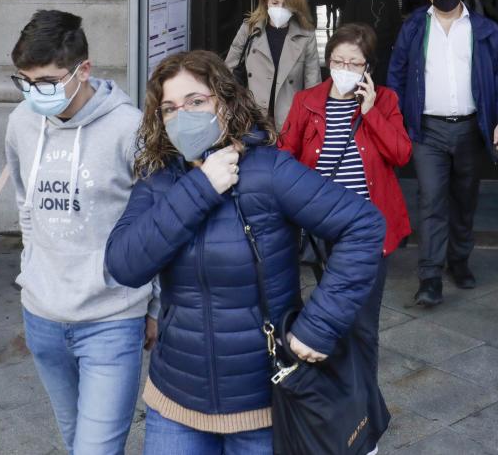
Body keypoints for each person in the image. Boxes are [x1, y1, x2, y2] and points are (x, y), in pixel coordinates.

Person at [104, 50, 385, 454]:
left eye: (196, 102)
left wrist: (319, 326)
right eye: (169, 108)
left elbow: (363, 225)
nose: (182, 115)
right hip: (175, 401)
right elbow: (124, 265)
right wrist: (200, 188)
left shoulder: (267, 172)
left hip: (264, 404)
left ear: (225, 101)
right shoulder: (159, 181)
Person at [5, 10, 158, 454]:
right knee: (76, 443)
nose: (36, 94)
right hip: (42, 316)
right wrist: (28, 273)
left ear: (84, 70)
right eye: (25, 82)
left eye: (48, 83)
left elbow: (155, 225)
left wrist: (155, 306)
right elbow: (25, 203)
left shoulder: (130, 128)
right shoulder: (21, 122)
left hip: (112, 317)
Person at [279, 25, 411, 427]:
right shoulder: (307, 102)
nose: (345, 68)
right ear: (328, 61)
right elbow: (285, 157)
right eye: (338, 61)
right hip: (318, 230)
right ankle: (327, 400)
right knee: (314, 320)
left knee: (362, 327)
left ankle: (363, 412)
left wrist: (370, 113)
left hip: (367, 233)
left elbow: (401, 154)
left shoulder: (384, 100)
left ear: (368, 67)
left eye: (354, 63)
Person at [387, 0, 498, 306]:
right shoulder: (415, 27)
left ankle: (459, 260)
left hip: (471, 129)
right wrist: (399, 117)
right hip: (427, 130)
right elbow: (397, 73)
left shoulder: (485, 30)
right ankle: (430, 276)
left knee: (464, 200)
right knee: (431, 199)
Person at [225, 0, 321, 132]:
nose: (280, 9)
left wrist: (309, 121)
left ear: (296, 7)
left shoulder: (306, 35)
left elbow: (313, 83)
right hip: (251, 116)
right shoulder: (249, 29)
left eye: (286, 5)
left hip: (289, 118)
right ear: (266, 1)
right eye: (275, 3)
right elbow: (228, 70)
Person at [341, 0, 402, 85]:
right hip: (359, 47)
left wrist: (396, 45)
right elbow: (347, 20)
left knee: (381, 82)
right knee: (358, 82)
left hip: (384, 49)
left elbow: (396, 23)